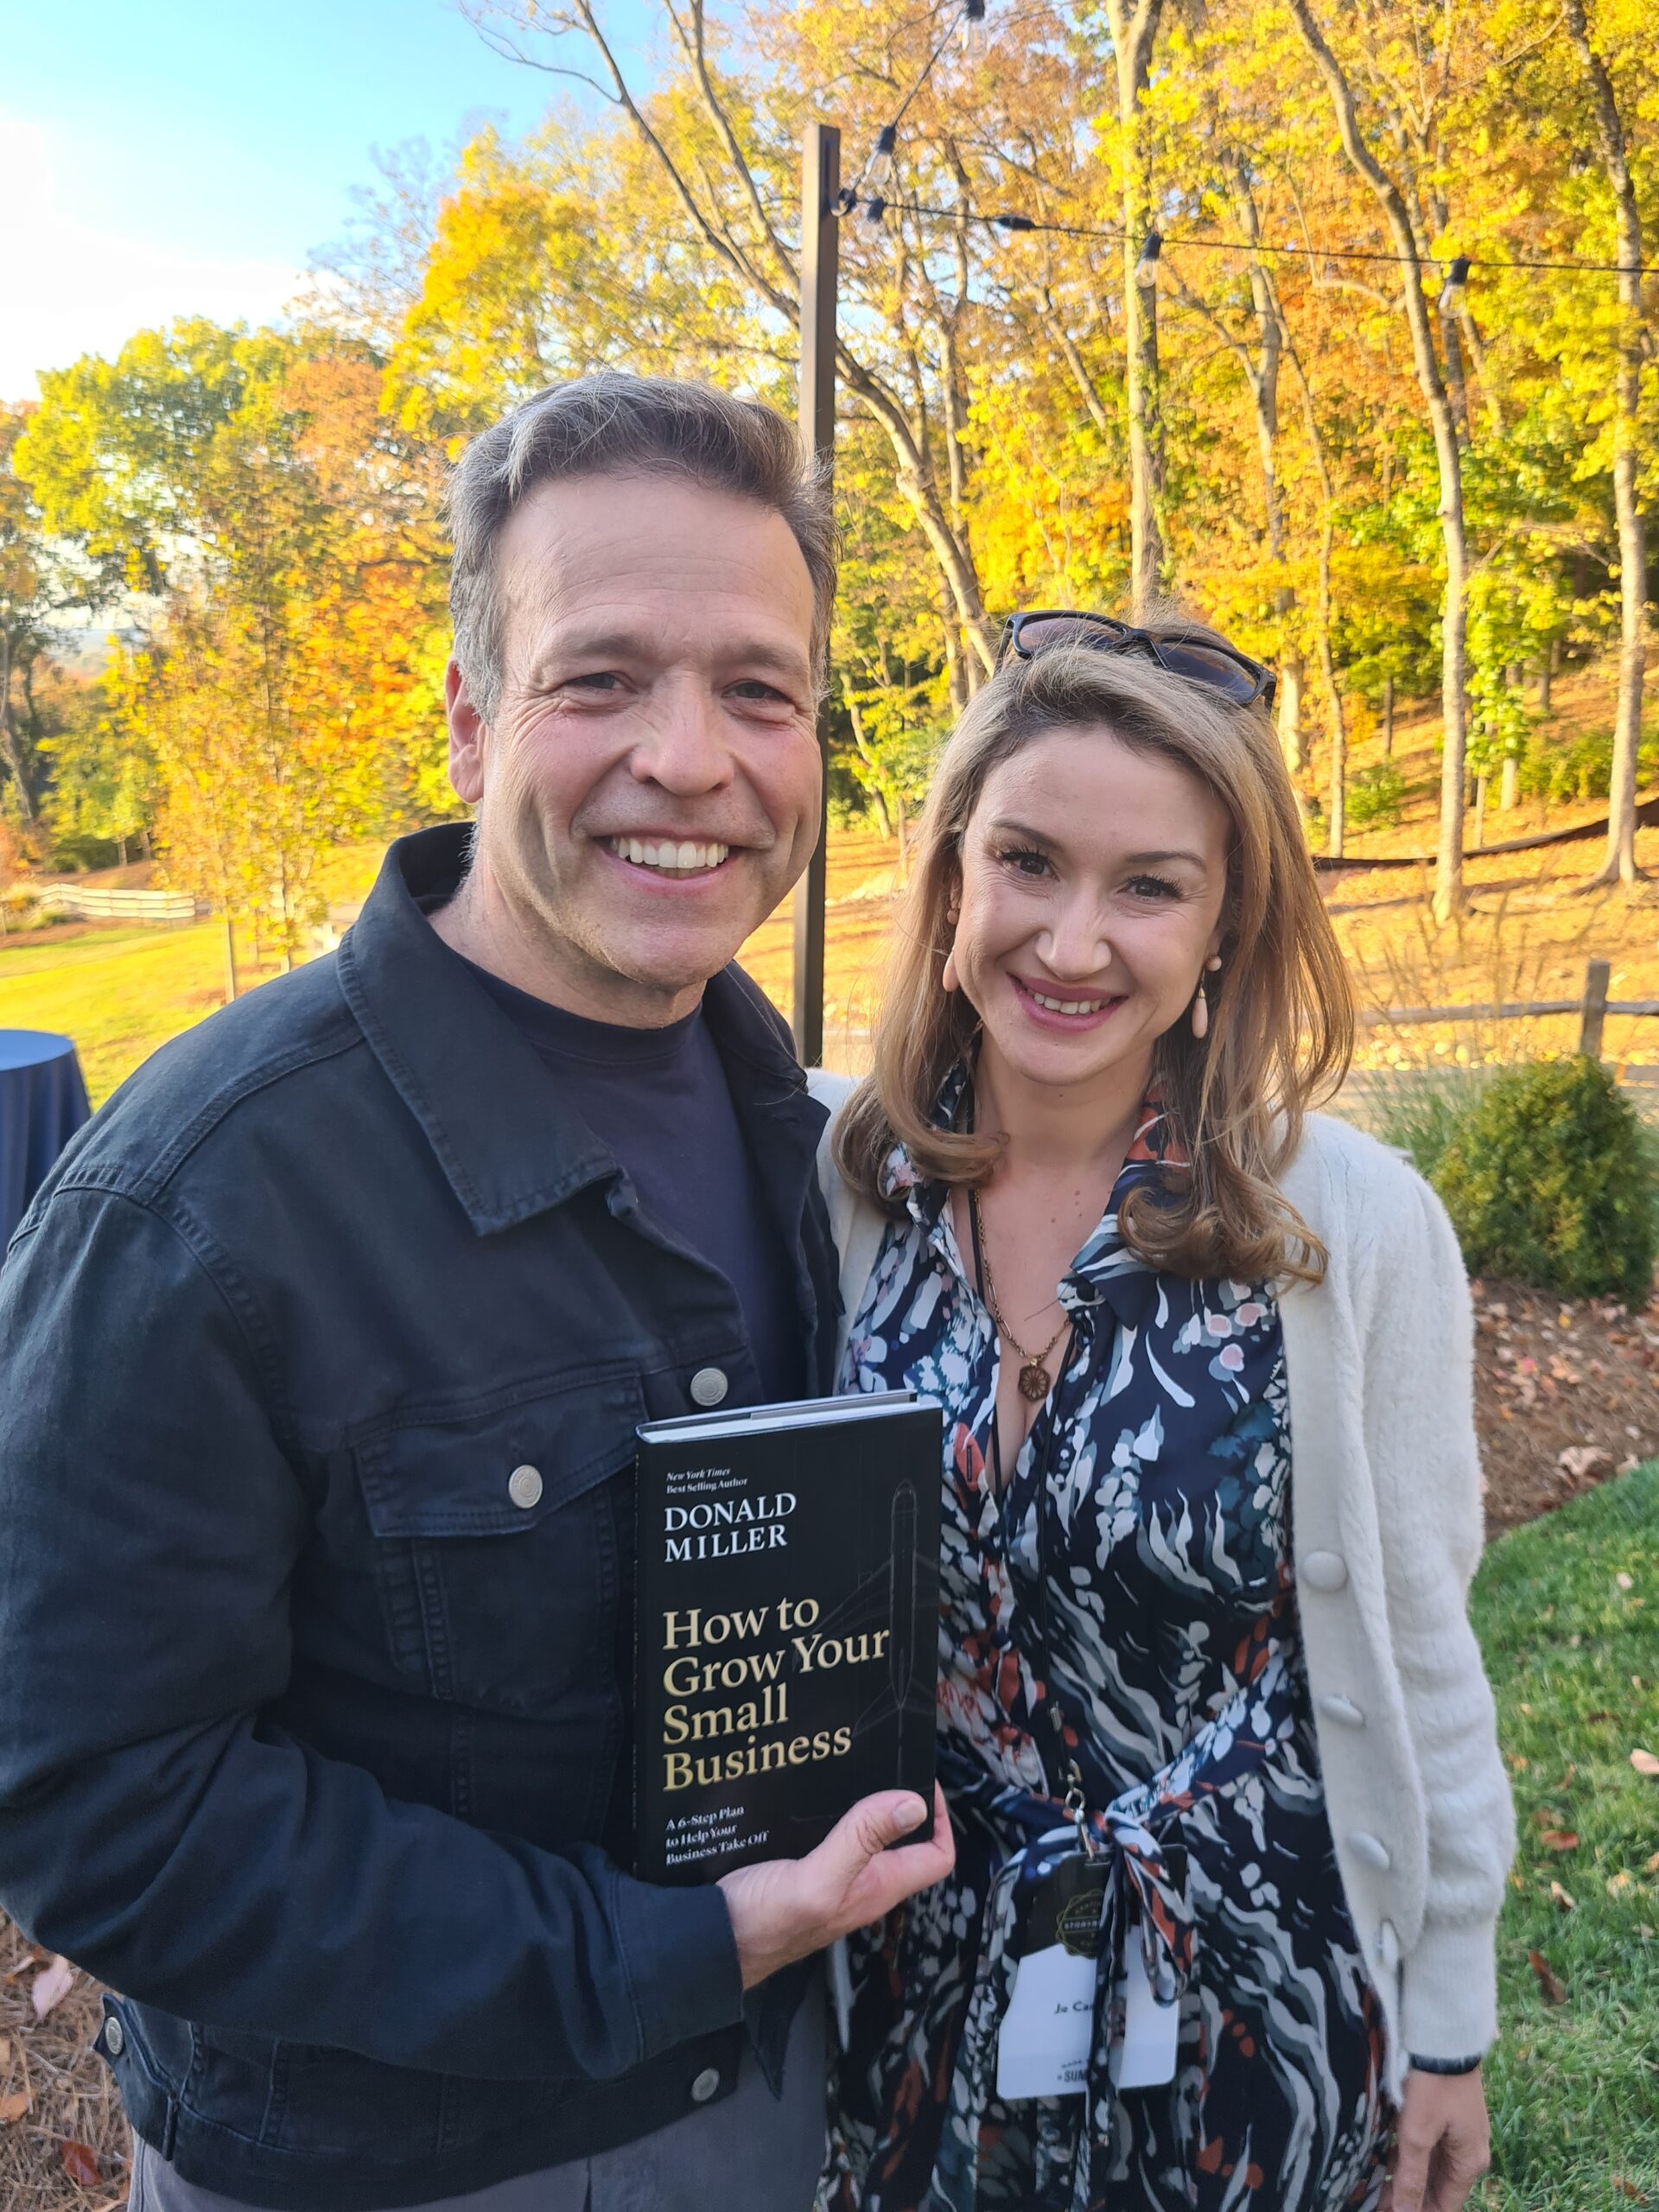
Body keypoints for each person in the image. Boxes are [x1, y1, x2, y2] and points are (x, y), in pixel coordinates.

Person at [0, 372, 951, 2212]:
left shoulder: (814, 1137)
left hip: (757, 2100)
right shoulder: (202, 1198)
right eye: (600, 677)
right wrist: (655, 1952)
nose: (691, 756)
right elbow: (97, 1804)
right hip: (390, 2159)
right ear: (465, 721)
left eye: (760, 688)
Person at [811, 614, 1516, 2212]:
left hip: (1260, 1994)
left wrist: (1452, 2022)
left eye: (1149, 885)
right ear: (949, 892)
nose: (1071, 941)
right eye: (1028, 863)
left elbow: (1421, 1641)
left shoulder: (1345, 1227)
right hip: (920, 1987)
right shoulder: (842, 1188)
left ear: (1223, 932)